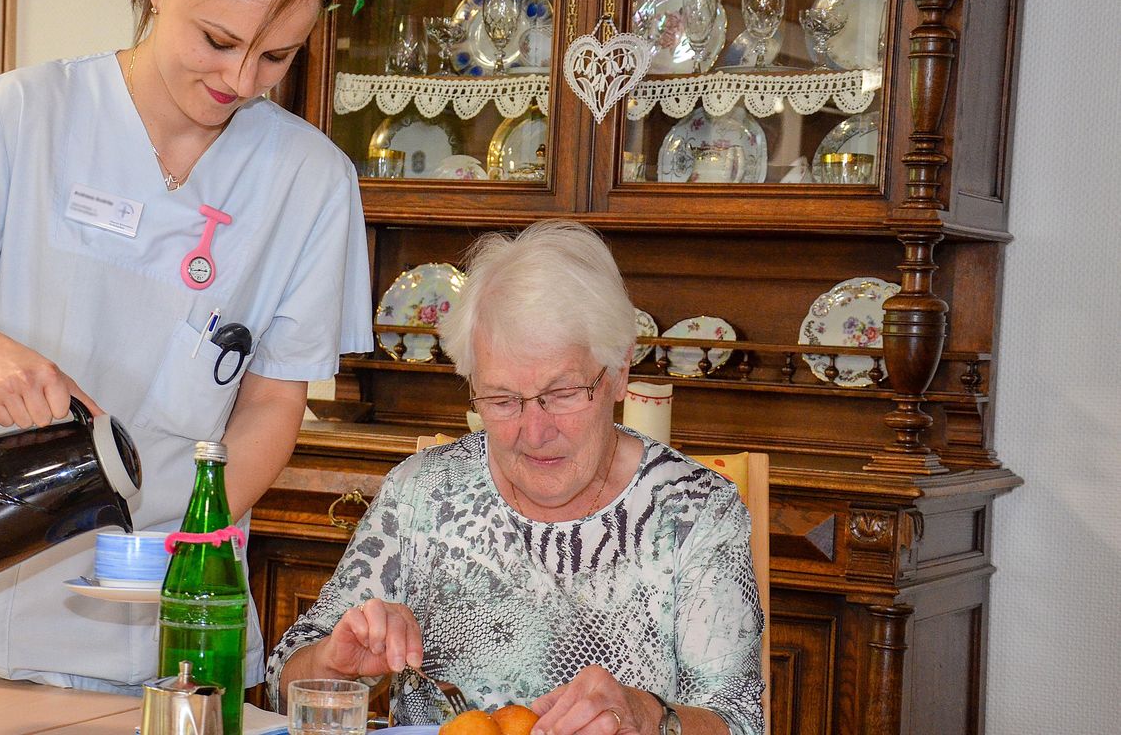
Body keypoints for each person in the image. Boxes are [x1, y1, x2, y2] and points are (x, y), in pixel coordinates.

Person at [0, 0, 371, 694]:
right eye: (218, 39)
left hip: (171, 630)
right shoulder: (30, 113)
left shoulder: (312, 182)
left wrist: (184, 550)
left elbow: (272, 405)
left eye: (276, 55)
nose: (243, 79)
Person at [267, 221, 764, 735]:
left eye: (564, 392)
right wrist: (334, 663)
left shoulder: (694, 511)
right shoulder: (424, 492)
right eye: (502, 400)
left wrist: (652, 718)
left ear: (617, 371)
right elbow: (285, 674)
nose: (534, 432)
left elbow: (742, 723)